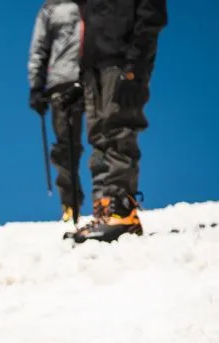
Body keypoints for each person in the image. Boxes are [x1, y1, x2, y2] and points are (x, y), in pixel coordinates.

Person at [72, 0, 168, 243]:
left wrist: (135, 65)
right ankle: (104, 209)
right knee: (98, 136)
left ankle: (122, 211)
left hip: (121, 59)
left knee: (118, 129)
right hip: (92, 62)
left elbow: (151, 15)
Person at [27, 0, 85, 222]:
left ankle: (110, 199)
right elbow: (39, 47)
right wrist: (36, 85)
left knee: (104, 136)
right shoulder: (51, 9)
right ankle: (70, 203)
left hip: (94, 76)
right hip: (62, 81)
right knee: (66, 145)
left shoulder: (97, 5)